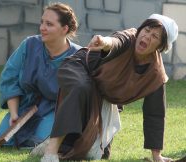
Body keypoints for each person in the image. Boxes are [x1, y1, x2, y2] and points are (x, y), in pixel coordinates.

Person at [35, 13, 178, 162]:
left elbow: (154, 114)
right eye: (146, 30)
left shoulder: (156, 75)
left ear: (161, 47)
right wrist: (104, 41)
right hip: (79, 67)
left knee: (96, 153)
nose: (147, 37)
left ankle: (49, 146)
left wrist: (157, 156)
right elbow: (116, 41)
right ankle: (50, 152)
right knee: (81, 87)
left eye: (155, 36)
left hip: (101, 93)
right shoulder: (129, 37)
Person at [0, 2, 81, 148]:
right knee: (4, 141)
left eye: (49, 24)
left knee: (38, 142)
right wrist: (14, 114)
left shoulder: (78, 56)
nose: (42, 28)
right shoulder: (29, 45)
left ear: (64, 29)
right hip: (27, 106)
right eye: (42, 22)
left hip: (57, 111)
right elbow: (10, 78)